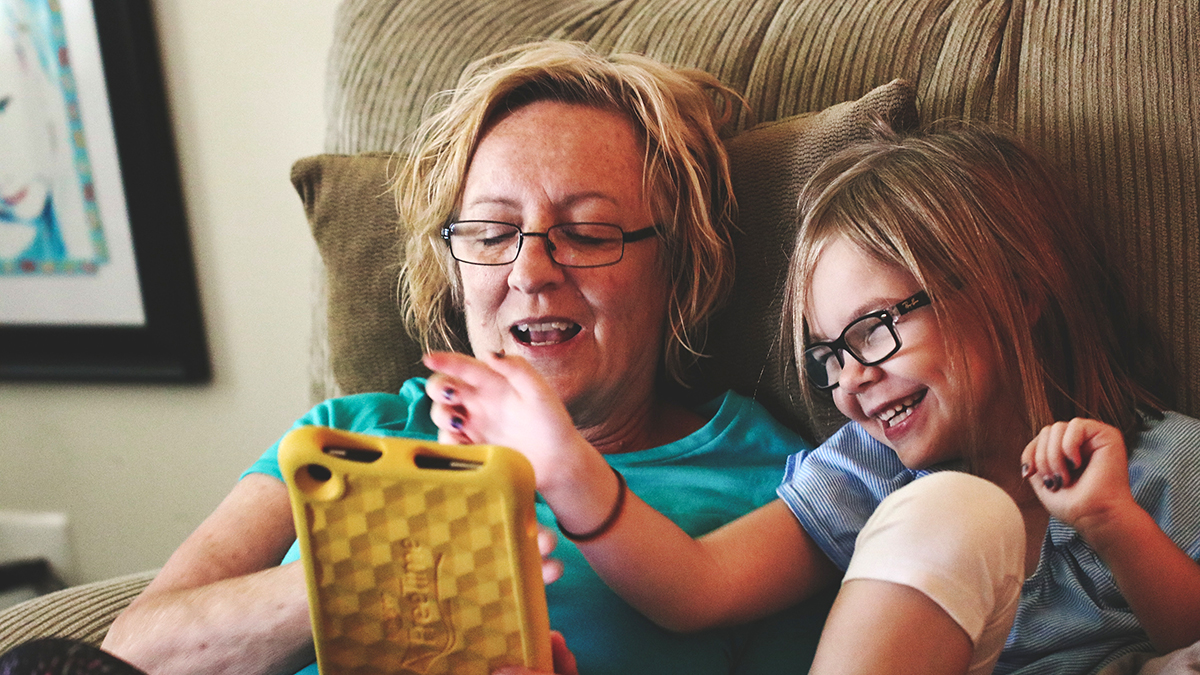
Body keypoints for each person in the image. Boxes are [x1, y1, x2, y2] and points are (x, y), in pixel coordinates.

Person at [99, 40, 828, 675]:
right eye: (489, 231)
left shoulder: (773, 490)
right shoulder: (346, 434)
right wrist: (374, 571)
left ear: (677, 265)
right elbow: (129, 658)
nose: (531, 272)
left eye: (589, 231)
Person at [424, 124, 1200, 675]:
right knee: (959, 509)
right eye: (827, 355)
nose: (848, 382)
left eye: (871, 331)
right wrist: (565, 465)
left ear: (1017, 289)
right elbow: (697, 586)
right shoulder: (873, 473)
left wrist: (1113, 524)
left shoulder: (1169, 463)